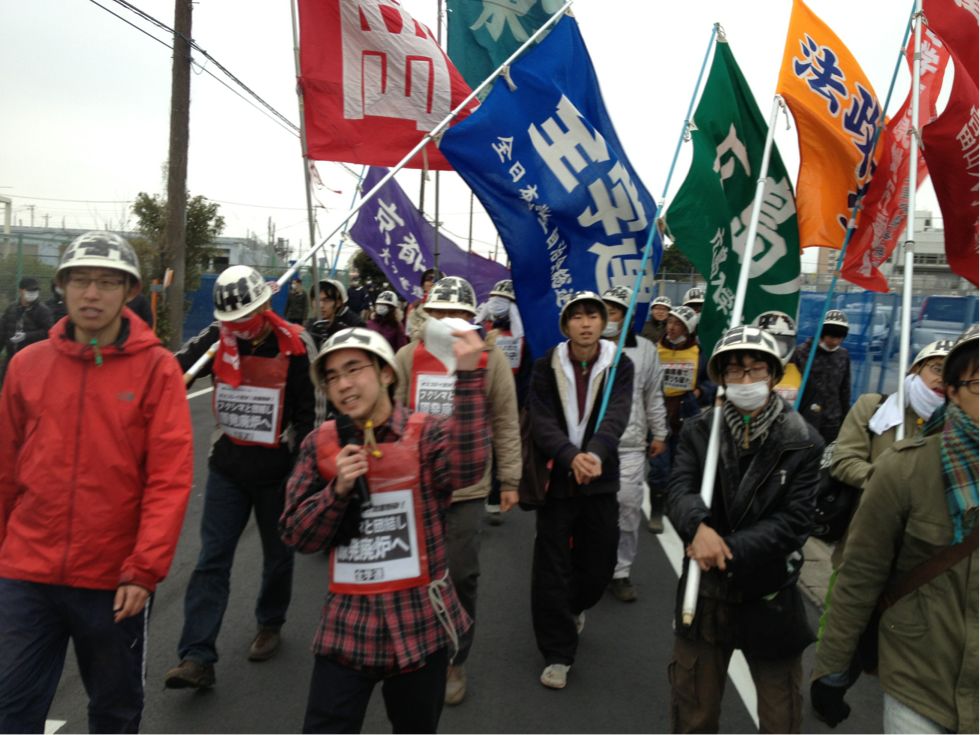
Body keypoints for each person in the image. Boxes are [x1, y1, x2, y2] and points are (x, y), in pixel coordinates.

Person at [0, 231, 193, 733]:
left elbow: (169, 479)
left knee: (114, 711)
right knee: (10, 710)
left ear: (129, 291)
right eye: (80, 280)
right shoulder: (26, 365)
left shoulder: (157, 370)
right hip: (26, 571)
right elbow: (5, 468)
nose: (92, 293)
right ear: (61, 286)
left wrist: (143, 569)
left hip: (112, 580)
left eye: (108, 282)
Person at [280, 326, 492, 733]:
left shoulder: (427, 433)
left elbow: (467, 467)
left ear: (386, 374)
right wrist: (337, 491)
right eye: (332, 377)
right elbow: (295, 533)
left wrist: (468, 376)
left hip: (420, 625)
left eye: (353, 369)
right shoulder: (319, 444)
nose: (343, 384)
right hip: (347, 629)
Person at [811, 325, 978, 734]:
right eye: (934, 368)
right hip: (919, 678)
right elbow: (859, 577)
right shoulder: (885, 423)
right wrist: (831, 669)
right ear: (953, 389)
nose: (936, 376)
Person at [164, 265, 317, 690]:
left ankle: (270, 622)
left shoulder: (295, 344)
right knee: (211, 560)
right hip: (227, 468)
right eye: (232, 320)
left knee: (277, 556)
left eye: (247, 317)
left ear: (265, 306)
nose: (241, 326)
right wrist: (165, 379)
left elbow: (310, 414)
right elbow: (177, 366)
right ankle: (196, 656)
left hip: (278, 471)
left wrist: (303, 472)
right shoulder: (218, 338)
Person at [667, 325, 823, 733]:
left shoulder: (803, 440)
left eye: (757, 369)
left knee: (780, 718)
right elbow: (679, 488)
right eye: (735, 370)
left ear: (774, 375)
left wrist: (725, 547)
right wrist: (696, 526)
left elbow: (795, 522)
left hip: (770, 595)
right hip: (705, 593)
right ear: (721, 377)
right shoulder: (700, 430)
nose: (746, 379)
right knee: (693, 713)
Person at [393, 276, 521, 705]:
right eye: (440, 314)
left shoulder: (490, 359)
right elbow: (391, 414)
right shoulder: (407, 356)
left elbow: (505, 418)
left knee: (461, 574)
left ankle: (454, 657)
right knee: (411, 574)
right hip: (413, 486)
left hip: (467, 489)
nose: (448, 322)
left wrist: (510, 480)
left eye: (458, 315)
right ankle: (412, 648)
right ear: (427, 316)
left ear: (472, 319)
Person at [526, 291, 633, 690]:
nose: (585, 323)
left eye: (593, 316)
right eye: (577, 317)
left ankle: (573, 605)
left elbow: (618, 413)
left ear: (604, 322)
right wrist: (570, 456)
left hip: (601, 478)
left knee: (599, 564)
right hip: (557, 478)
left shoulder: (619, 364)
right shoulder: (546, 364)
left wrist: (596, 453)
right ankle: (557, 652)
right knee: (551, 566)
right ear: (566, 324)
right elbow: (541, 420)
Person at [828, 339, 953, 567]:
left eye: (952, 374)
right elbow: (844, 461)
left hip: (922, 554)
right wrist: (891, 486)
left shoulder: (958, 426)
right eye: (937, 368)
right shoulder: (874, 407)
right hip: (864, 539)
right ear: (916, 369)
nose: (943, 378)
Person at [599, 286, 668, 603]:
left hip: (629, 445)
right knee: (589, 511)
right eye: (604, 311)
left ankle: (620, 571)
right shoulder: (586, 346)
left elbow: (653, 394)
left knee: (627, 506)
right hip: (590, 445)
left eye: (614, 311)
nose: (607, 317)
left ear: (626, 316)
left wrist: (660, 432)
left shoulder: (645, 350)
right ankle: (589, 566)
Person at [647, 304, 715, 534]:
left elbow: (713, 382)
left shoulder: (699, 353)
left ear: (689, 329)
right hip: (659, 418)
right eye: (670, 322)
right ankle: (656, 511)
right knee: (659, 467)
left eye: (679, 324)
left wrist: (700, 392)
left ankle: (672, 505)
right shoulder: (655, 350)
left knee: (681, 469)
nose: (672, 327)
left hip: (687, 418)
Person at [478, 278, 532, 526]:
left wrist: (522, 401)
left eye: (504, 301)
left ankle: (495, 496)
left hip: (511, 399)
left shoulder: (524, 335)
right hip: (481, 398)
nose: (497, 305)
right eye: (494, 300)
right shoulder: (481, 331)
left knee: (502, 446)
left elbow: (527, 370)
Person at [794, 309, 852, 444]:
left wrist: (845, 417)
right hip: (805, 418)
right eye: (831, 337)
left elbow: (845, 389)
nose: (835, 342)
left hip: (832, 421)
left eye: (839, 338)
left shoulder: (843, 355)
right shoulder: (802, 352)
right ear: (822, 334)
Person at [0, 277, 52, 381]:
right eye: (29, 290)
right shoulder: (11, 309)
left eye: (35, 290)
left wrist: (26, 336)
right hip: (11, 357)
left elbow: (49, 333)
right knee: (6, 385)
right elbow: (2, 332)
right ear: (21, 291)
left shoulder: (43, 311)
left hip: (32, 359)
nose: (33, 293)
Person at [754, 311, 800, 404]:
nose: (775, 348)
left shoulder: (800, 372)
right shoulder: (744, 372)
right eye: (769, 342)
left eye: (781, 342)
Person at [306, 278, 363, 349]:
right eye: (316, 300)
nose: (321, 305)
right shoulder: (305, 331)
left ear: (338, 303)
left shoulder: (344, 333)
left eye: (327, 300)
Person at [405, 267, 441, 342]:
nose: (432, 282)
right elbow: (411, 335)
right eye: (429, 279)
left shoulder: (450, 307)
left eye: (436, 280)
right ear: (422, 285)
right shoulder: (415, 307)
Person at [365, 289, 407, 354]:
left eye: (384, 304)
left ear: (391, 308)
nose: (380, 307)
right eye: (379, 304)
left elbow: (402, 349)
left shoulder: (397, 326)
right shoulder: (369, 323)